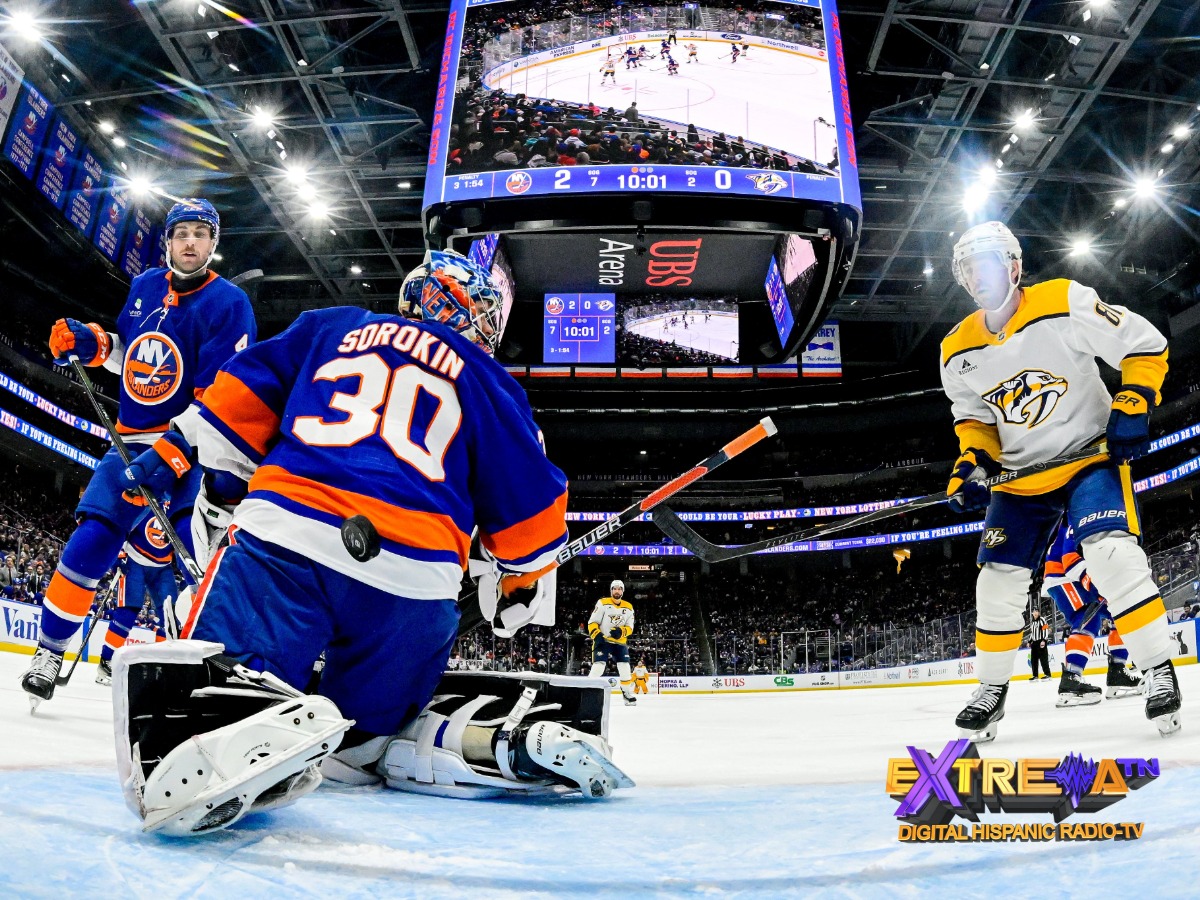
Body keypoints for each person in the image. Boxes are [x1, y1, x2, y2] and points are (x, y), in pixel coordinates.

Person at [111, 249, 632, 836]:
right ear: (473, 317)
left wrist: (172, 451)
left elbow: (233, 407)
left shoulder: (332, 325)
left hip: (289, 533)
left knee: (224, 666)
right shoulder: (490, 380)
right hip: (414, 581)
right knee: (364, 744)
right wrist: (516, 583)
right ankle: (418, 739)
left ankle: (237, 708)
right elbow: (529, 521)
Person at [941, 220, 1179, 741]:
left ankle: (1158, 669)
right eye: (965, 269)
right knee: (996, 580)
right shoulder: (955, 350)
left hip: (1086, 460)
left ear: (1014, 266)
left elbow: (1143, 344)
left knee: (1111, 554)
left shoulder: (1062, 301)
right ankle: (991, 688)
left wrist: (1134, 400)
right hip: (1021, 479)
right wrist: (971, 466)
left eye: (985, 264)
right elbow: (975, 421)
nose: (976, 277)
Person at [21, 199, 255, 706]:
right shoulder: (146, 285)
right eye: (181, 233)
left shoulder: (230, 303)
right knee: (91, 539)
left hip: (193, 448)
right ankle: (49, 650)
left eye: (200, 233)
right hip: (130, 442)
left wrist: (173, 455)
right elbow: (129, 356)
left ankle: (217, 670)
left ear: (214, 243)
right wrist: (90, 342)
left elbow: (222, 399)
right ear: (168, 241)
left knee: (202, 560)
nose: (190, 243)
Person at [1042, 519, 1144, 707]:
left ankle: (1117, 672)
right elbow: (1070, 559)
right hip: (1062, 575)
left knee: (1120, 611)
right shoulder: (1077, 514)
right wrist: (1096, 585)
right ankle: (1071, 679)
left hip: (1067, 575)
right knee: (1086, 618)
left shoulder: (1084, 512)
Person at [95, 512, 176, 685]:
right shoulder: (148, 487)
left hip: (163, 565)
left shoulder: (181, 494)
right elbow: (123, 519)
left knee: (171, 616)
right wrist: (119, 553)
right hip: (134, 558)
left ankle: (163, 667)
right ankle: (106, 662)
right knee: (128, 612)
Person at [588, 579, 637, 705]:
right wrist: (596, 634)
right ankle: (587, 692)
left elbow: (630, 627)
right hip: (603, 640)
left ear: (623, 591)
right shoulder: (602, 603)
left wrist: (621, 631)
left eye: (619, 588)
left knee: (625, 668)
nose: (617, 591)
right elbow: (592, 622)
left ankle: (626, 693)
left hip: (620, 643)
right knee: (598, 667)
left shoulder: (629, 607)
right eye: (615, 588)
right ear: (611, 590)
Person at [1027, 607, 1051, 681]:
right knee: (1034, 660)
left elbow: (1045, 629)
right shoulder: (1032, 622)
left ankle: (1047, 675)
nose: (1035, 613)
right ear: (1032, 613)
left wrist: (1044, 640)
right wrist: (1029, 641)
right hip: (1034, 643)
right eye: (1034, 611)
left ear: (1039, 613)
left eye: (1036, 611)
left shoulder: (1042, 620)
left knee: (1043, 659)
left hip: (1041, 641)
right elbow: (1032, 633)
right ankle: (1035, 676)